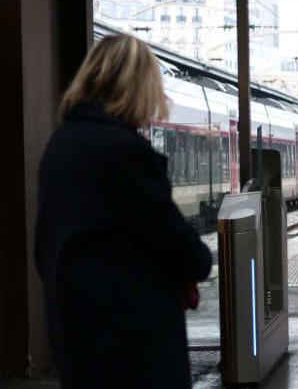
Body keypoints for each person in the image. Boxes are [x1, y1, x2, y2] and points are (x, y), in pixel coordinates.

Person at [35, 34, 212, 388]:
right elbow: (182, 250)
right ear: (139, 88)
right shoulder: (124, 152)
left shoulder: (60, 145)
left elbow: (44, 249)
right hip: (132, 351)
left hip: (75, 339)